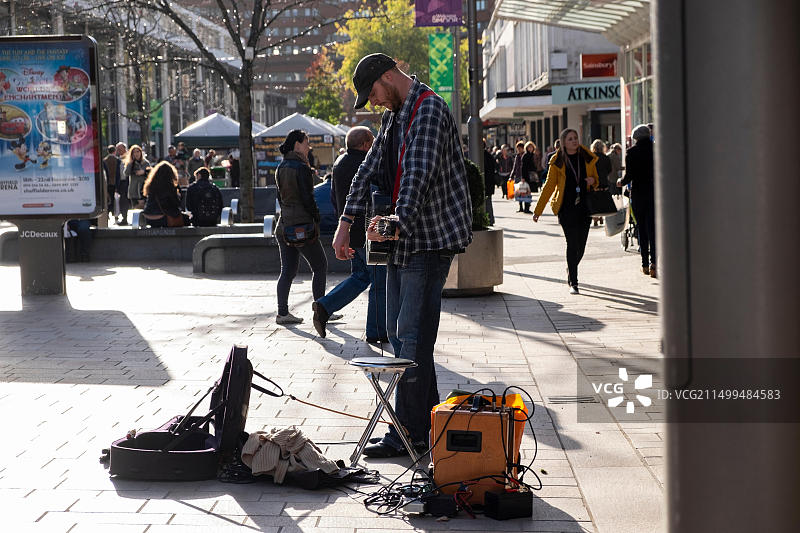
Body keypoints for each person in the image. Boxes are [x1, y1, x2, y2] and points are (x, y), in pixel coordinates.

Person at [332, 53, 472, 458]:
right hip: (403, 242)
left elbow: (416, 177)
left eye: (372, 92)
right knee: (403, 337)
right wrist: (346, 220)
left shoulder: (428, 109)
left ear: (389, 76)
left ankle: (408, 434)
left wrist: (392, 223)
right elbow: (367, 168)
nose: (373, 102)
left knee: (409, 339)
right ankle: (426, 428)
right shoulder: (394, 115)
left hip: (428, 242)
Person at [312, 126, 386, 341]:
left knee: (361, 276)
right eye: (372, 141)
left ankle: (325, 306)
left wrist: (342, 228)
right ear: (364, 144)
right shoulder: (366, 164)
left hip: (350, 232)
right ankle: (377, 332)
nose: (374, 146)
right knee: (379, 281)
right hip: (368, 230)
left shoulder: (339, 163)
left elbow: (336, 198)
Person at [533, 128, 600, 295]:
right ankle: (574, 282)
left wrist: (593, 181)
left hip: (584, 207)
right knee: (572, 244)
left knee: (581, 247)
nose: (574, 141)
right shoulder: (558, 161)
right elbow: (549, 187)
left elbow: (596, 180)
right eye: (570, 139)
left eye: (575, 138)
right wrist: (538, 210)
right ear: (563, 142)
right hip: (566, 208)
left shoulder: (586, 157)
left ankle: (571, 268)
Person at [274, 129, 327, 325]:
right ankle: (321, 310)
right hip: (302, 226)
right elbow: (308, 198)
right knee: (320, 265)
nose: (309, 146)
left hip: (284, 225)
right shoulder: (302, 168)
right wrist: (316, 217)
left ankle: (282, 313)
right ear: (297, 145)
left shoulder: (280, 167)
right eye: (306, 142)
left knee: (287, 270)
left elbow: (279, 197)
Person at [618, 124, 656, 278]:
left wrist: (620, 181)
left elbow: (629, 176)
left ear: (635, 138)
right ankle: (655, 264)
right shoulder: (656, 150)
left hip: (639, 194)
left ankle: (645, 265)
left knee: (641, 227)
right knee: (653, 228)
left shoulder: (631, 152)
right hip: (654, 193)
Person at [141, 161, 184, 228]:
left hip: (148, 218)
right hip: (162, 218)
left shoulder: (150, 185)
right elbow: (176, 204)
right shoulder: (170, 186)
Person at [590, 139, 612, 227]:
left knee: (594, 200)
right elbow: (609, 169)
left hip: (593, 181)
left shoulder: (591, 157)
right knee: (602, 199)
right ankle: (601, 217)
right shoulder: (606, 157)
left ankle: (595, 218)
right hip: (603, 181)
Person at [123, 144, 151, 210]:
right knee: (135, 210)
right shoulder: (130, 163)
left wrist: (144, 172)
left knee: (144, 209)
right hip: (133, 190)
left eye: (138, 151)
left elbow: (151, 174)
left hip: (143, 190)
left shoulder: (146, 162)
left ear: (141, 152)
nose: (136, 154)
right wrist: (130, 163)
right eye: (134, 152)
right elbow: (126, 173)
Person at [102, 145, 120, 223]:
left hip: (107, 183)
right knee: (114, 200)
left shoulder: (104, 160)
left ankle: (107, 215)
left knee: (107, 199)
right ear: (115, 151)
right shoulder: (117, 160)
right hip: (114, 183)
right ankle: (115, 215)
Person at [114, 143, 129, 224]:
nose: (118, 151)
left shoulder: (129, 158)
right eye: (117, 149)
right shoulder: (118, 160)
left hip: (128, 183)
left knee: (127, 201)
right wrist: (116, 186)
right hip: (122, 184)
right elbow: (117, 174)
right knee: (123, 201)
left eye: (120, 149)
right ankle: (124, 218)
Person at [483, 139, 497, 225]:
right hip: (489, 184)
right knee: (488, 202)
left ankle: (489, 220)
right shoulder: (490, 156)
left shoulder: (484, 156)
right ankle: (490, 219)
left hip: (486, 183)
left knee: (487, 202)